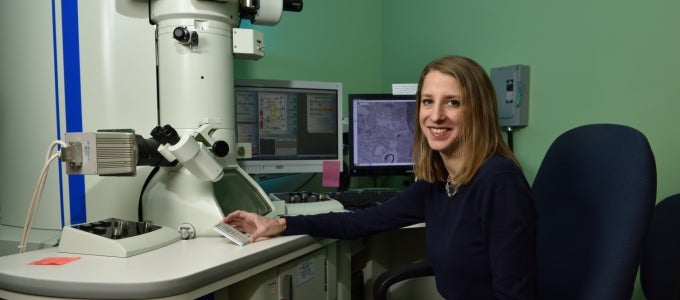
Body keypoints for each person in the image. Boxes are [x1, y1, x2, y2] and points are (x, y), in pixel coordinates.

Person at [223, 55, 537, 300]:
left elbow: (514, 295)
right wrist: (280, 224)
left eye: (453, 102)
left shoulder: (499, 181)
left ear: (477, 111)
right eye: (427, 101)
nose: (436, 115)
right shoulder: (439, 182)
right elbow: (361, 221)